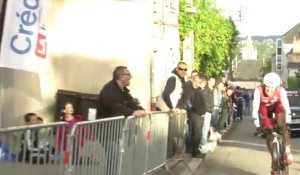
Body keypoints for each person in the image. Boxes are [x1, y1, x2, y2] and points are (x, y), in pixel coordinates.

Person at [252, 72, 293, 175]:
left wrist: (287, 122)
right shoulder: (258, 91)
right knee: (267, 130)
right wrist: (257, 126)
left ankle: (287, 151)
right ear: (263, 85)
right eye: (267, 87)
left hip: (278, 106)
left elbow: (287, 108)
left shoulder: (281, 91)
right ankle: (274, 159)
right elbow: (255, 108)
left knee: (282, 126)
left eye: (272, 88)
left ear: (277, 86)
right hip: (264, 108)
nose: (269, 90)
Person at [176, 73, 204, 153]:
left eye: (199, 82)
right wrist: (193, 110)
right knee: (186, 132)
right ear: (192, 79)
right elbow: (187, 101)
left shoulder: (195, 88)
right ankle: (187, 150)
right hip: (184, 112)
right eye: (196, 81)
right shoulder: (188, 87)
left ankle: (189, 149)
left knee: (189, 132)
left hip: (189, 112)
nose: (197, 84)